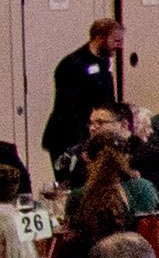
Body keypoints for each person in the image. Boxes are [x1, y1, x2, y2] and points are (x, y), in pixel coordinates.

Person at [46, 17, 129, 161]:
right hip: (69, 138)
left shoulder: (103, 61)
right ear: (100, 37)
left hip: (94, 133)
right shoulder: (72, 65)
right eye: (116, 41)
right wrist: (82, 143)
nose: (120, 46)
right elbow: (69, 109)